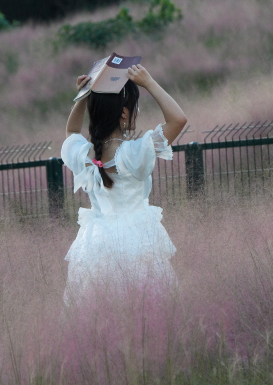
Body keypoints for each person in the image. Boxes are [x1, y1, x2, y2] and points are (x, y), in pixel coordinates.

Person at [60, 64, 187, 305]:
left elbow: (71, 131)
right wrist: (149, 82)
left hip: (95, 245)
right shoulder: (134, 153)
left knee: (97, 314)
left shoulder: (83, 155)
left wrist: (83, 97)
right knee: (147, 313)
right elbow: (178, 119)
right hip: (136, 243)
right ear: (125, 114)